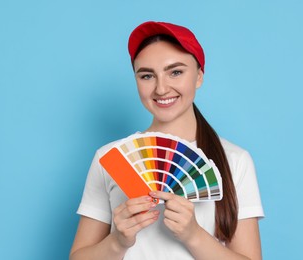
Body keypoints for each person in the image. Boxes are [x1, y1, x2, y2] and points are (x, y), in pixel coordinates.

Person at [70, 21, 264, 260]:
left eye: (175, 72)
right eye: (147, 75)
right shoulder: (112, 158)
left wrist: (193, 235)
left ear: (199, 76)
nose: (161, 88)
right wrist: (118, 242)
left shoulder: (235, 160)